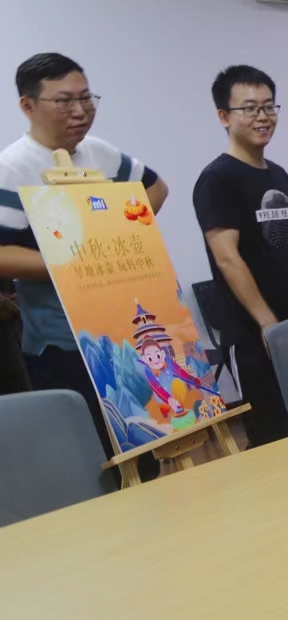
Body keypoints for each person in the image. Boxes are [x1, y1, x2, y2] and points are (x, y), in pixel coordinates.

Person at [0, 53, 168, 467]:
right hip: (60, 341)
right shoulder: (12, 167)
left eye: (86, 98)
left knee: (145, 444)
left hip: (122, 332)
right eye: (64, 101)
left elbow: (156, 188)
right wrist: (75, 260)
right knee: (91, 457)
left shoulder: (99, 153)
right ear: (28, 105)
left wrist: (119, 234)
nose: (80, 111)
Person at [192, 65, 288, 448]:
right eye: (250, 108)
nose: (263, 116)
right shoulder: (217, 179)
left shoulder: (278, 175)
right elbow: (227, 258)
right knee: (273, 440)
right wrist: (268, 324)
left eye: (269, 106)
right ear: (224, 116)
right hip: (253, 334)